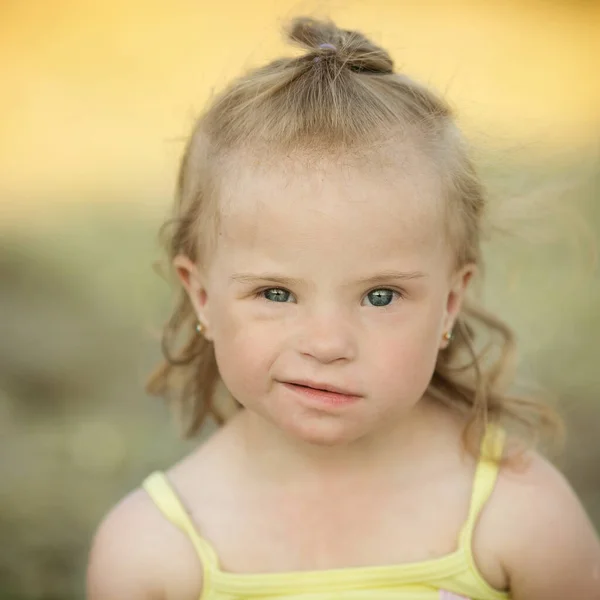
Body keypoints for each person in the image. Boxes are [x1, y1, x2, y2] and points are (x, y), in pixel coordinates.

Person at [86, 16, 600, 600]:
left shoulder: (517, 517)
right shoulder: (153, 555)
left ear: (451, 302)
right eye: (276, 293)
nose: (328, 343)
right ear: (201, 294)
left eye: (381, 296)